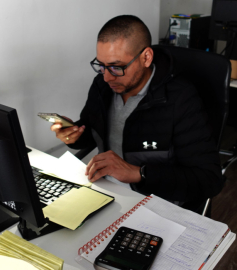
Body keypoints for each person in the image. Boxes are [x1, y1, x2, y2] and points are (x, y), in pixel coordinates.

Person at [50, 15, 222, 212]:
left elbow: (209, 180)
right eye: (101, 66)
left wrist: (139, 173)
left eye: (116, 67)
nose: (106, 77)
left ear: (146, 57)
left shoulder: (180, 99)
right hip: (106, 193)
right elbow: (94, 131)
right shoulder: (102, 86)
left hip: (155, 203)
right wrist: (74, 136)